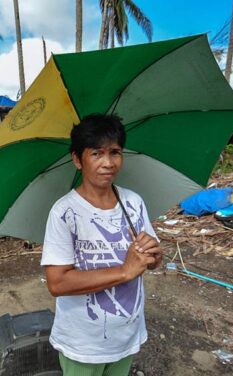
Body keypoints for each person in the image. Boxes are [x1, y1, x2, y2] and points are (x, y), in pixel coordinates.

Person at [41, 114, 163, 376]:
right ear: (77, 159)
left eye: (115, 152)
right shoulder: (64, 212)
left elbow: (152, 262)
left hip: (126, 336)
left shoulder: (133, 202)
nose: (108, 163)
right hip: (83, 344)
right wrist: (124, 271)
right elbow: (57, 283)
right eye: (96, 153)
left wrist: (155, 253)